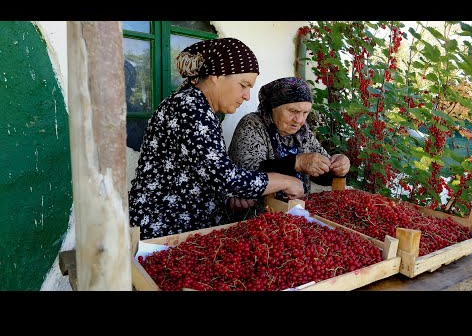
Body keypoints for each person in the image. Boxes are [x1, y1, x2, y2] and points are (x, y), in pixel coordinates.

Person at [128, 38, 305, 240]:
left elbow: (203, 171)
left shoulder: (198, 106)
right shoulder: (190, 108)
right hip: (164, 233)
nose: (247, 96)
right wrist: (284, 181)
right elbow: (223, 176)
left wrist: (227, 198)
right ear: (216, 76)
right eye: (243, 85)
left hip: (184, 231)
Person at [227, 76, 350, 215]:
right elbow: (248, 173)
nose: (299, 120)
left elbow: (322, 174)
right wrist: (297, 162)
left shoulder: (303, 132)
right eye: (293, 111)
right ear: (274, 108)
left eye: (305, 113)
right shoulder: (252, 124)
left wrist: (339, 167)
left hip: (295, 215)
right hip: (257, 217)